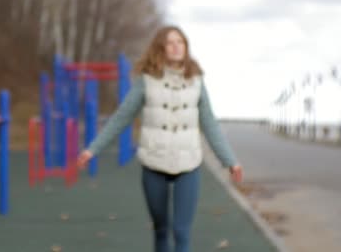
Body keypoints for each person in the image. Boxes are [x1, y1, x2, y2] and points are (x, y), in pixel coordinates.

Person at [76, 26, 243, 252]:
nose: (176, 46)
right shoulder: (147, 81)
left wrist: (230, 160)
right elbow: (121, 118)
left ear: (186, 47)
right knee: (161, 229)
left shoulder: (196, 81)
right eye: (170, 42)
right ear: (161, 49)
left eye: (180, 42)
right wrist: (92, 149)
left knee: (182, 232)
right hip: (154, 162)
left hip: (188, 163)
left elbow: (209, 123)